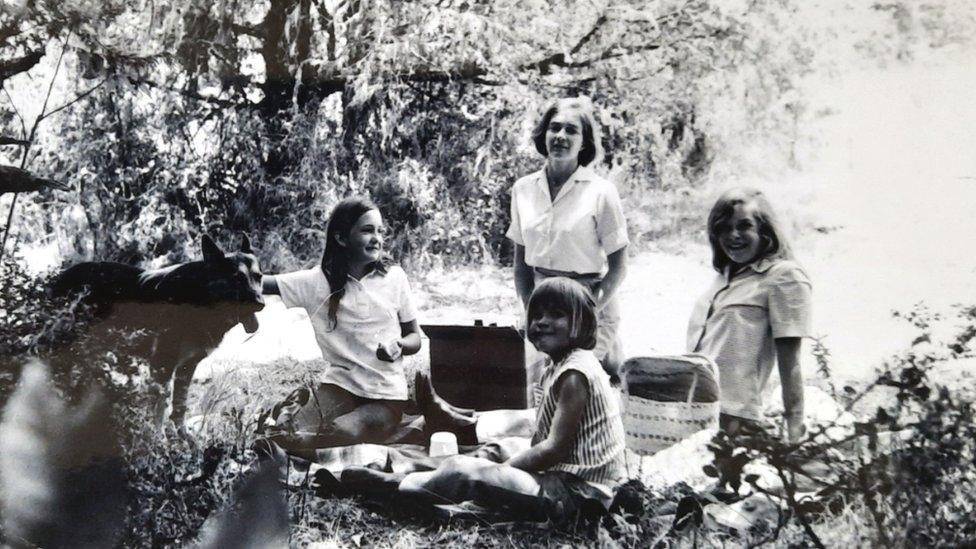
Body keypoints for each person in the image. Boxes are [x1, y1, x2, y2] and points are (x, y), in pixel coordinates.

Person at [341, 278, 627, 525]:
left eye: (556, 314)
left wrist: (506, 469)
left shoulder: (575, 375)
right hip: (567, 476)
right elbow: (545, 435)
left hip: (578, 496)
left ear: (583, 322)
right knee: (500, 448)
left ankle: (395, 486)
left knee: (470, 473)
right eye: (537, 314)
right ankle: (430, 471)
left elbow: (552, 449)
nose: (542, 322)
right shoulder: (560, 366)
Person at [260, 197, 423, 449]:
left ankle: (296, 419)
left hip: (385, 396)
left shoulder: (395, 278)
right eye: (367, 230)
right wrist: (209, 274)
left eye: (380, 231)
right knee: (287, 436)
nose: (377, 238)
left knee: (340, 433)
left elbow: (415, 337)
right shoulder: (316, 281)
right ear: (341, 238)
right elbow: (260, 283)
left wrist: (399, 345)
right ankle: (291, 410)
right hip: (339, 387)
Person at [507, 97, 629, 380]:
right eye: (555, 128)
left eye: (571, 131)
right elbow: (521, 266)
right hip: (542, 305)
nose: (561, 136)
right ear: (544, 134)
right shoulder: (523, 189)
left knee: (576, 382)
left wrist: (587, 313)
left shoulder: (601, 192)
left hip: (588, 302)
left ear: (584, 142)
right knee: (539, 388)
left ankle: (610, 360)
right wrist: (530, 310)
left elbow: (619, 268)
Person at [686, 188, 812, 442]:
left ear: (764, 231)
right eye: (724, 227)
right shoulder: (724, 278)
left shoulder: (784, 276)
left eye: (744, 226)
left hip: (738, 419)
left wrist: (795, 432)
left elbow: (792, 364)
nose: (733, 235)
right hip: (699, 414)